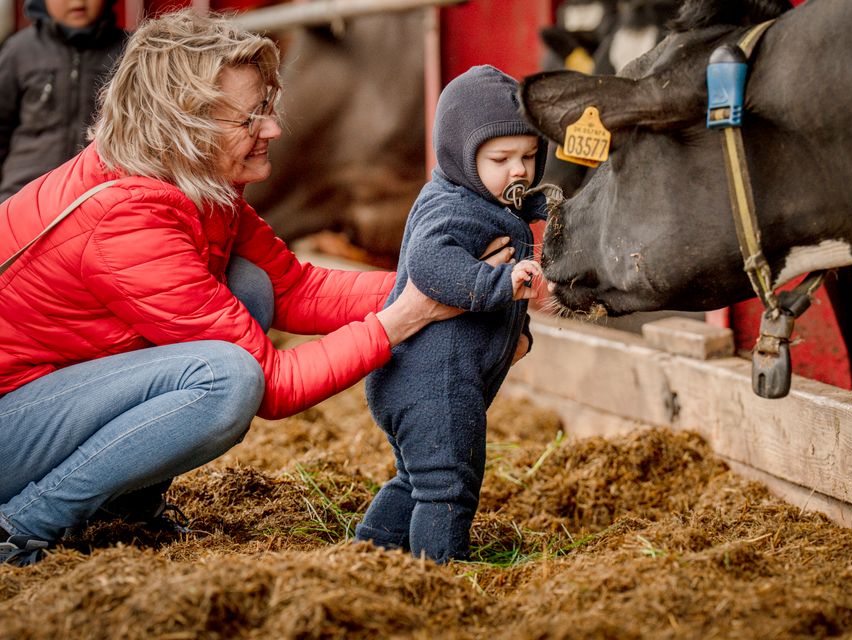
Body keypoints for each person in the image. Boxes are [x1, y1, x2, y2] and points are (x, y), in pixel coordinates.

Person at [0, 12, 515, 567]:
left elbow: (295, 287)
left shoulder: (191, 181)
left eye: (267, 107)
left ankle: (124, 508)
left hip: (52, 398)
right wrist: (406, 317)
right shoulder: (127, 219)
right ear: (186, 128)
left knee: (252, 283)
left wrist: (449, 280)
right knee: (227, 380)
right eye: (250, 118)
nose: (271, 129)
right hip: (14, 426)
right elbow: (271, 385)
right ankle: (20, 526)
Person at [355, 65, 549, 563]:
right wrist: (497, 284)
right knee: (449, 485)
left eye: (529, 156)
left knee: (417, 479)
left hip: (424, 379)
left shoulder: (490, 201)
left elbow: (520, 218)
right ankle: (442, 573)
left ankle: (369, 552)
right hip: (430, 381)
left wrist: (514, 335)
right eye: (501, 158)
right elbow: (429, 263)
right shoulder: (453, 208)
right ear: (463, 156)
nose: (519, 171)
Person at [0, 0, 126, 203]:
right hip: (23, 195)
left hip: (100, 197)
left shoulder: (129, 52)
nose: (77, 2)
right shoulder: (18, 51)